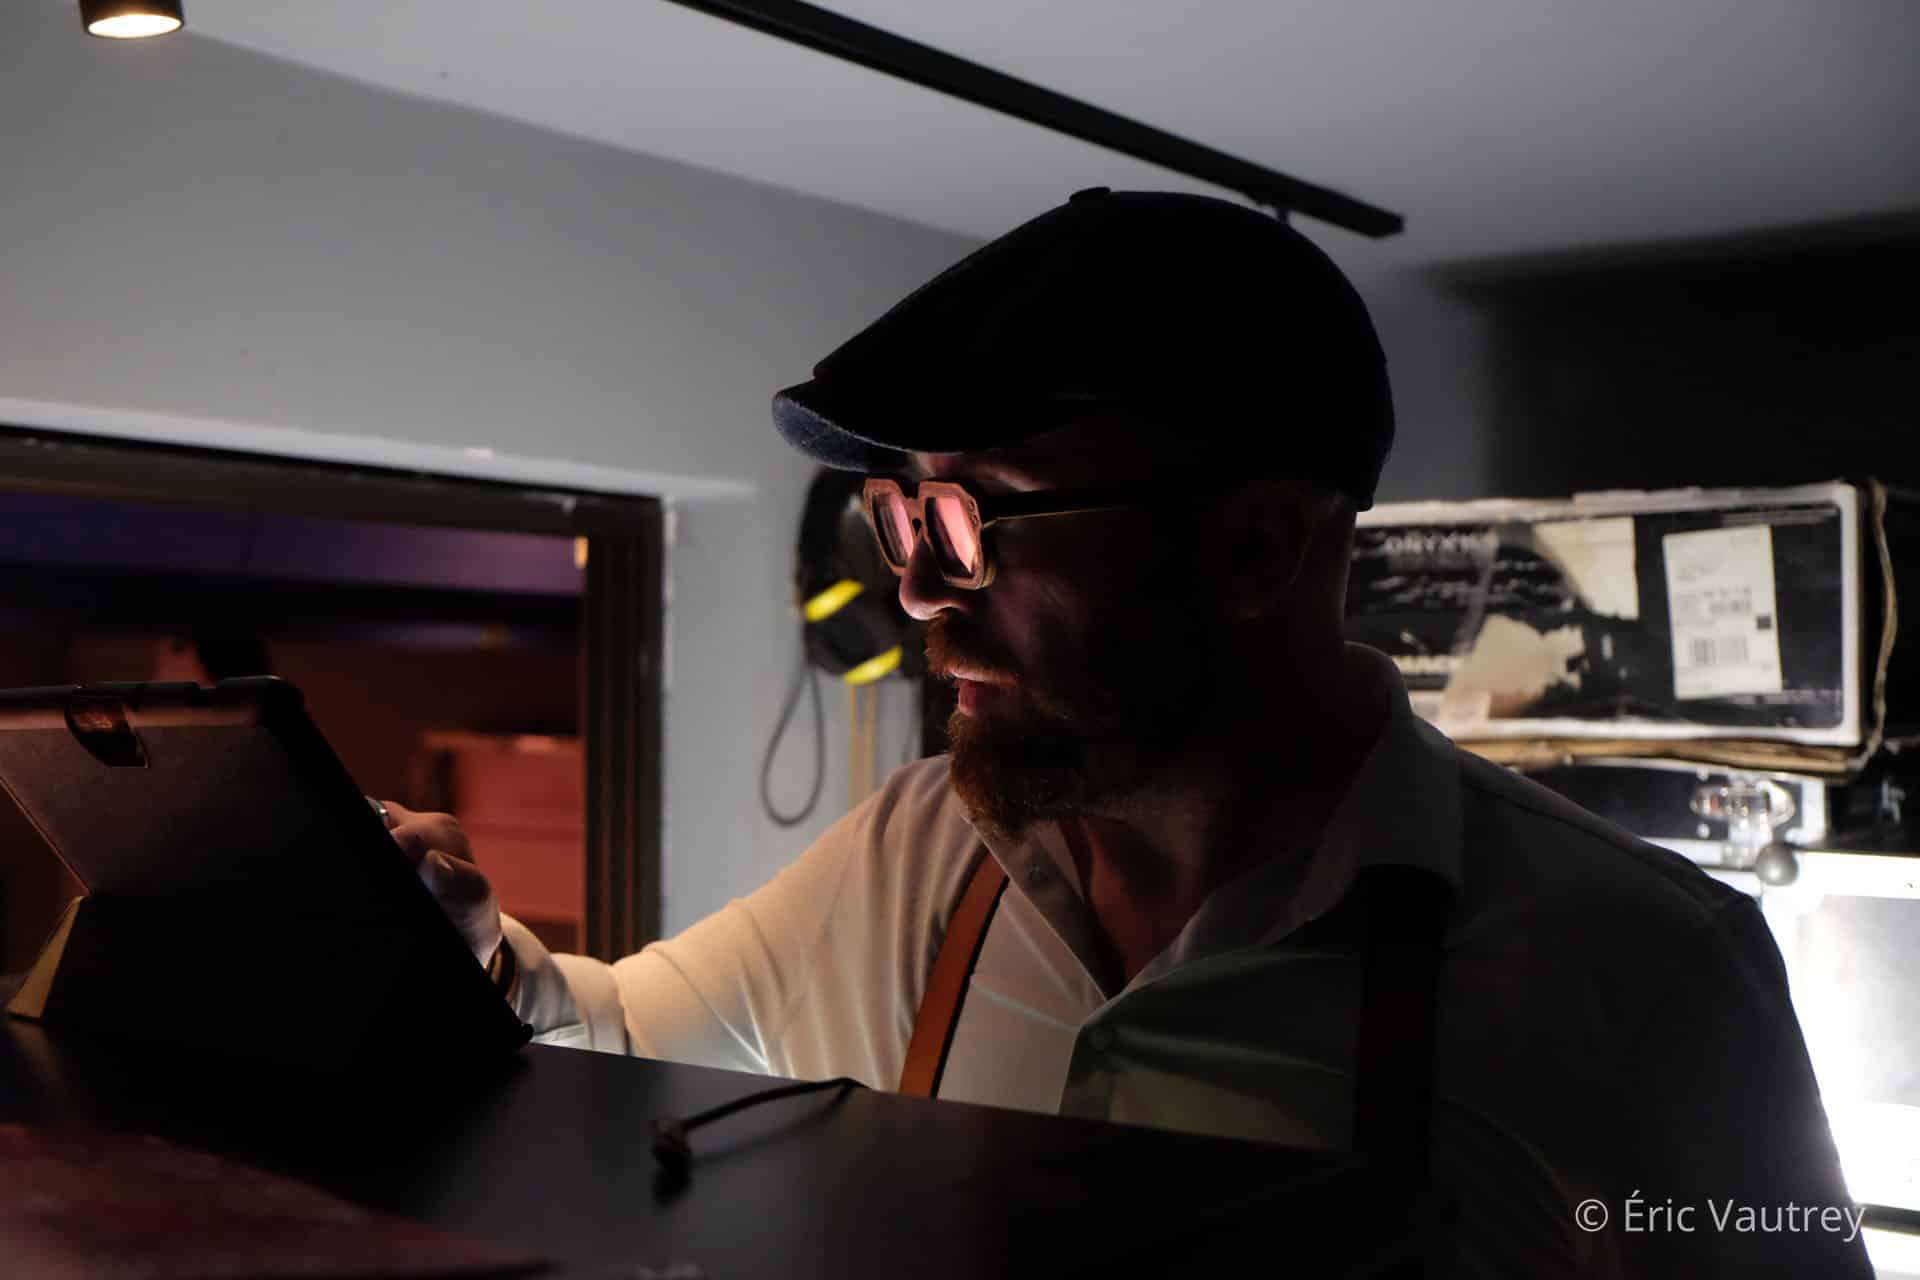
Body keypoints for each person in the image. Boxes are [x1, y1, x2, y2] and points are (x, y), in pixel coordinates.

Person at [381, 190, 1867, 1276]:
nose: (919, 593)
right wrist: (454, 948)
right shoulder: (916, 854)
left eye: (976, 517)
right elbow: (616, 1042)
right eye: (904, 515)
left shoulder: (1642, 968)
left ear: (1254, 547)